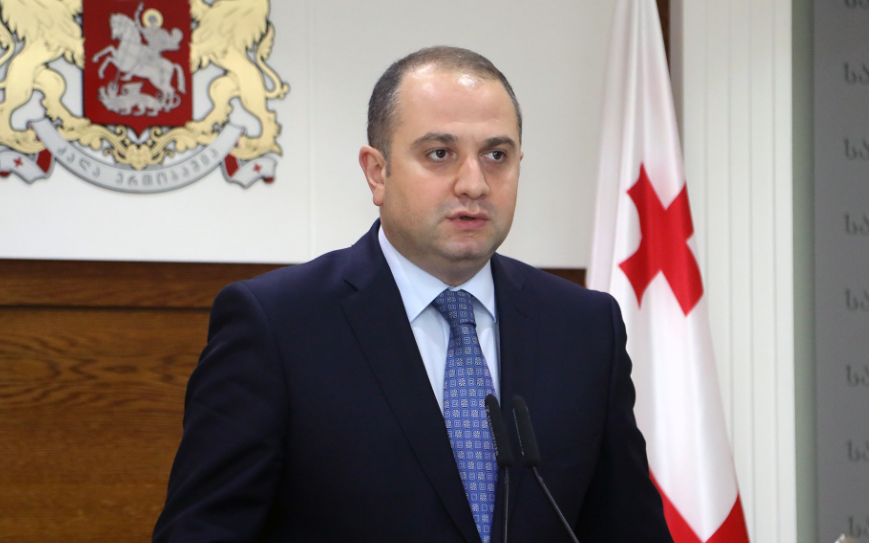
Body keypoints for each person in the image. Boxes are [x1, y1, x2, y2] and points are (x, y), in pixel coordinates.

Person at [153, 46, 673, 543]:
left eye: (496, 155)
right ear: (377, 172)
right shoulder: (279, 325)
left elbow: (628, 528)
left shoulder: (584, 326)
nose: (474, 183)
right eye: (440, 154)